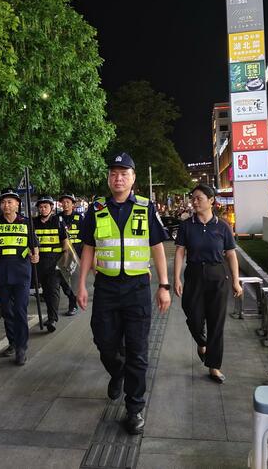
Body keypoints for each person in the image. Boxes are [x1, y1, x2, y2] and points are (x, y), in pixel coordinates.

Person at [76, 152, 171, 435]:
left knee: (138, 352)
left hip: (137, 289)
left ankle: (134, 409)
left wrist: (164, 286)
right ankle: (117, 371)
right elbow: (88, 249)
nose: (118, 178)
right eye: (114, 173)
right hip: (105, 287)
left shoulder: (145, 207)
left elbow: (157, 247)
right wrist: (81, 284)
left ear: (133, 179)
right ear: (108, 178)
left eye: (124, 174)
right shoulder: (97, 209)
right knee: (104, 342)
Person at [173, 185, 242, 384]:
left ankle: (214, 366)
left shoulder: (223, 227)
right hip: (194, 275)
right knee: (193, 317)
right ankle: (202, 343)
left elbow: (230, 254)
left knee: (216, 322)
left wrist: (235, 281)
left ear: (211, 200)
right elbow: (179, 252)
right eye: (193, 198)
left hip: (217, 276)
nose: (194, 202)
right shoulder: (187, 226)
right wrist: (176, 278)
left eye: (198, 198)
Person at [0, 188, 39, 366]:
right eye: (3, 202)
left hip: (22, 272)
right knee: (7, 310)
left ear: (17, 204)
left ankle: (21, 347)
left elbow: (35, 247)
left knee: (20, 310)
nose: (7, 205)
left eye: (10, 201)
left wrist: (36, 256)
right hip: (2, 272)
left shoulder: (27, 224)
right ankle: (12, 343)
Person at [33, 195, 70, 332]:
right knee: (45, 292)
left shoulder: (58, 221)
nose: (43, 209)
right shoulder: (33, 223)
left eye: (45, 207)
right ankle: (49, 316)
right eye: (41, 207)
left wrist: (64, 262)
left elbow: (65, 243)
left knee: (53, 290)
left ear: (51, 208)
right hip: (38, 263)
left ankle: (52, 319)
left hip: (55, 261)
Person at [58, 193, 82, 315]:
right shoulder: (57, 218)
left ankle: (73, 305)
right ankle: (72, 297)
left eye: (68, 202)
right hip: (63, 254)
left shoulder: (79, 218)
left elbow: (85, 237)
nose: (65, 204)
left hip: (77, 253)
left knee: (73, 279)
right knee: (63, 279)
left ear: (73, 204)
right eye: (63, 202)